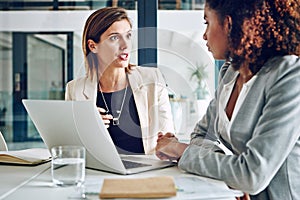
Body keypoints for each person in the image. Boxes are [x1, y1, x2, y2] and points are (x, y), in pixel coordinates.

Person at [156, 0, 300, 199]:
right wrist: (231, 172)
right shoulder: (231, 71)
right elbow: (201, 135)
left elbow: (251, 175)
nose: (204, 35)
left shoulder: (289, 76)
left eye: (207, 22)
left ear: (229, 25)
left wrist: (181, 151)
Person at [65, 7, 174, 155]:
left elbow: (168, 139)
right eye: (114, 38)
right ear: (93, 46)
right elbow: (69, 147)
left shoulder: (152, 80)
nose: (125, 45)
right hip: (98, 173)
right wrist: (87, 127)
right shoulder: (75, 89)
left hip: (146, 172)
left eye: (128, 36)